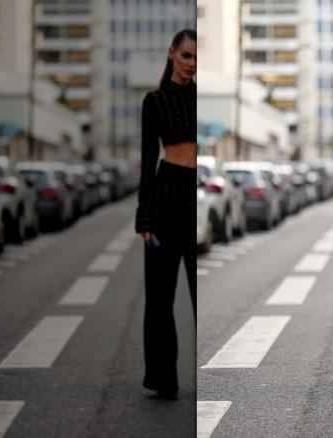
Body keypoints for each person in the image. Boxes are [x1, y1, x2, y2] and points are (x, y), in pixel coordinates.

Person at [135, 29, 197, 401]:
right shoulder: (154, 101)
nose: (192, 63)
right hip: (166, 194)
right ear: (172, 54)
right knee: (160, 297)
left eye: (197, 58)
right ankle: (163, 379)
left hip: (194, 192)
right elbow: (147, 160)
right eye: (187, 55)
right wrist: (145, 218)